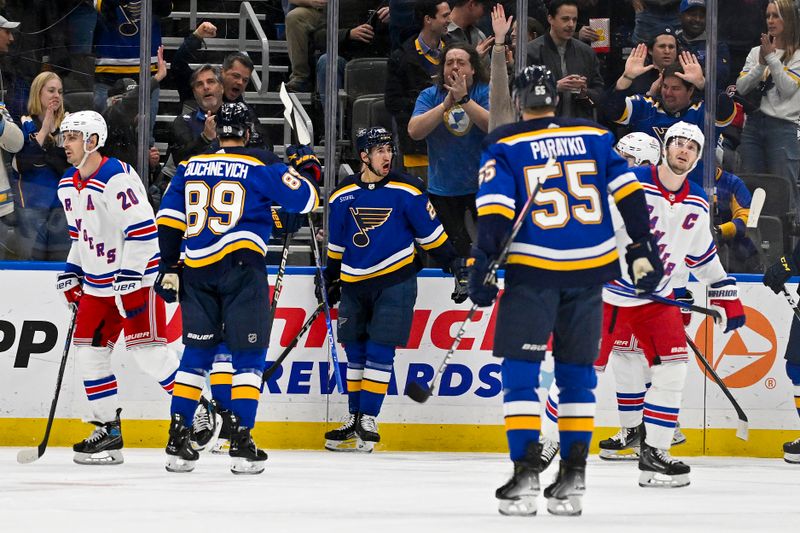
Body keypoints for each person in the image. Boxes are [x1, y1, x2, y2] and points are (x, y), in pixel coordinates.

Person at [469, 65, 661, 517]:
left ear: (519, 101)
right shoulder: (594, 136)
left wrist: (481, 264)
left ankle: (525, 475)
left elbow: (495, 212)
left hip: (534, 274)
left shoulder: (505, 143)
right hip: (591, 272)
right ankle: (573, 478)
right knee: (577, 376)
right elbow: (630, 193)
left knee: (521, 373)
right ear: (553, 99)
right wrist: (640, 246)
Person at [155, 102, 320, 474]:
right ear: (246, 132)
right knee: (248, 358)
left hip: (195, 271)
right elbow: (307, 199)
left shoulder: (189, 165)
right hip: (241, 269)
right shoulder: (260, 162)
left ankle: (177, 440)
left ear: (218, 131)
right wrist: (306, 165)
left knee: (195, 357)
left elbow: (167, 219)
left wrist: (168, 266)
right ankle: (241, 440)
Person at [320, 126, 469, 453]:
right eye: (379, 150)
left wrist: (455, 265)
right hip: (354, 284)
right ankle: (355, 416)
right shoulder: (341, 195)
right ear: (363, 156)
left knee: (380, 350)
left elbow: (434, 237)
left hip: (396, 281)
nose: (387, 156)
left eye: (389, 149)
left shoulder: (409, 189)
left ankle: (369, 418)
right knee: (355, 352)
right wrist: (330, 278)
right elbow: (336, 246)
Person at [55, 110, 181, 465]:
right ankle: (108, 430)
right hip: (97, 286)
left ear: (92, 141)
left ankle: (196, 408)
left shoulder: (117, 177)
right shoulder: (67, 183)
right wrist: (72, 269)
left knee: (149, 354)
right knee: (90, 355)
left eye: (72, 137)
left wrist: (128, 276)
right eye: (65, 137)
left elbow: (144, 231)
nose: (66, 144)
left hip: (136, 280)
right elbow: (81, 237)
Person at [407, 43, 490, 257]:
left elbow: (495, 127)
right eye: (449, 63)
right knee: (449, 256)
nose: (454, 67)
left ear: (473, 69)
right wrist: (445, 105)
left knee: (484, 254)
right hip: (442, 189)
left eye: (461, 63)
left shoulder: (485, 91)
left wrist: (464, 100)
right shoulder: (429, 95)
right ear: (442, 69)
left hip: (481, 188)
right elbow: (414, 131)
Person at [736, 0, 800, 189]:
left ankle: (790, 220)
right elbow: (741, 87)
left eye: (776, 16)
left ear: (788, 19)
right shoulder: (756, 52)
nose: (771, 21)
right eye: (768, 16)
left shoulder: (797, 55)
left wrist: (771, 58)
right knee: (750, 184)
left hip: (784, 127)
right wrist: (762, 64)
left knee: (783, 187)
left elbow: (787, 88)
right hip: (753, 126)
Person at [385, 0, 451, 177]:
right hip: (418, 151)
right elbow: (393, 102)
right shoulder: (401, 57)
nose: (449, 20)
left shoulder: (456, 51)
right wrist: (427, 104)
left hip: (454, 147)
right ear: (428, 19)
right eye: (445, 16)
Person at [12, 72, 71, 260]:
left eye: (60, 92)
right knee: (30, 269)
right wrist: (45, 129)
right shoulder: (24, 123)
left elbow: (70, 165)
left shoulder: (69, 125)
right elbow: (23, 164)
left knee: (61, 268)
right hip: (31, 207)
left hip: (62, 209)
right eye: (51, 90)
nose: (56, 96)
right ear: (38, 93)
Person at [526, 0, 605, 120]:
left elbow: (599, 93)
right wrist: (554, 87)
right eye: (565, 19)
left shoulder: (586, 52)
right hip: (544, 128)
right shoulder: (531, 52)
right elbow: (519, 93)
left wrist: (585, 92)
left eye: (574, 19)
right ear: (550, 19)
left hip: (578, 128)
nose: (571, 24)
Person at [674, 0, 731, 90]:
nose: (697, 19)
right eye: (692, 14)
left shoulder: (717, 46)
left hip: (704, 98)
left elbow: (720, 76)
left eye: (702, 16)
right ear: (680, 15)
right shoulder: (672, 41)